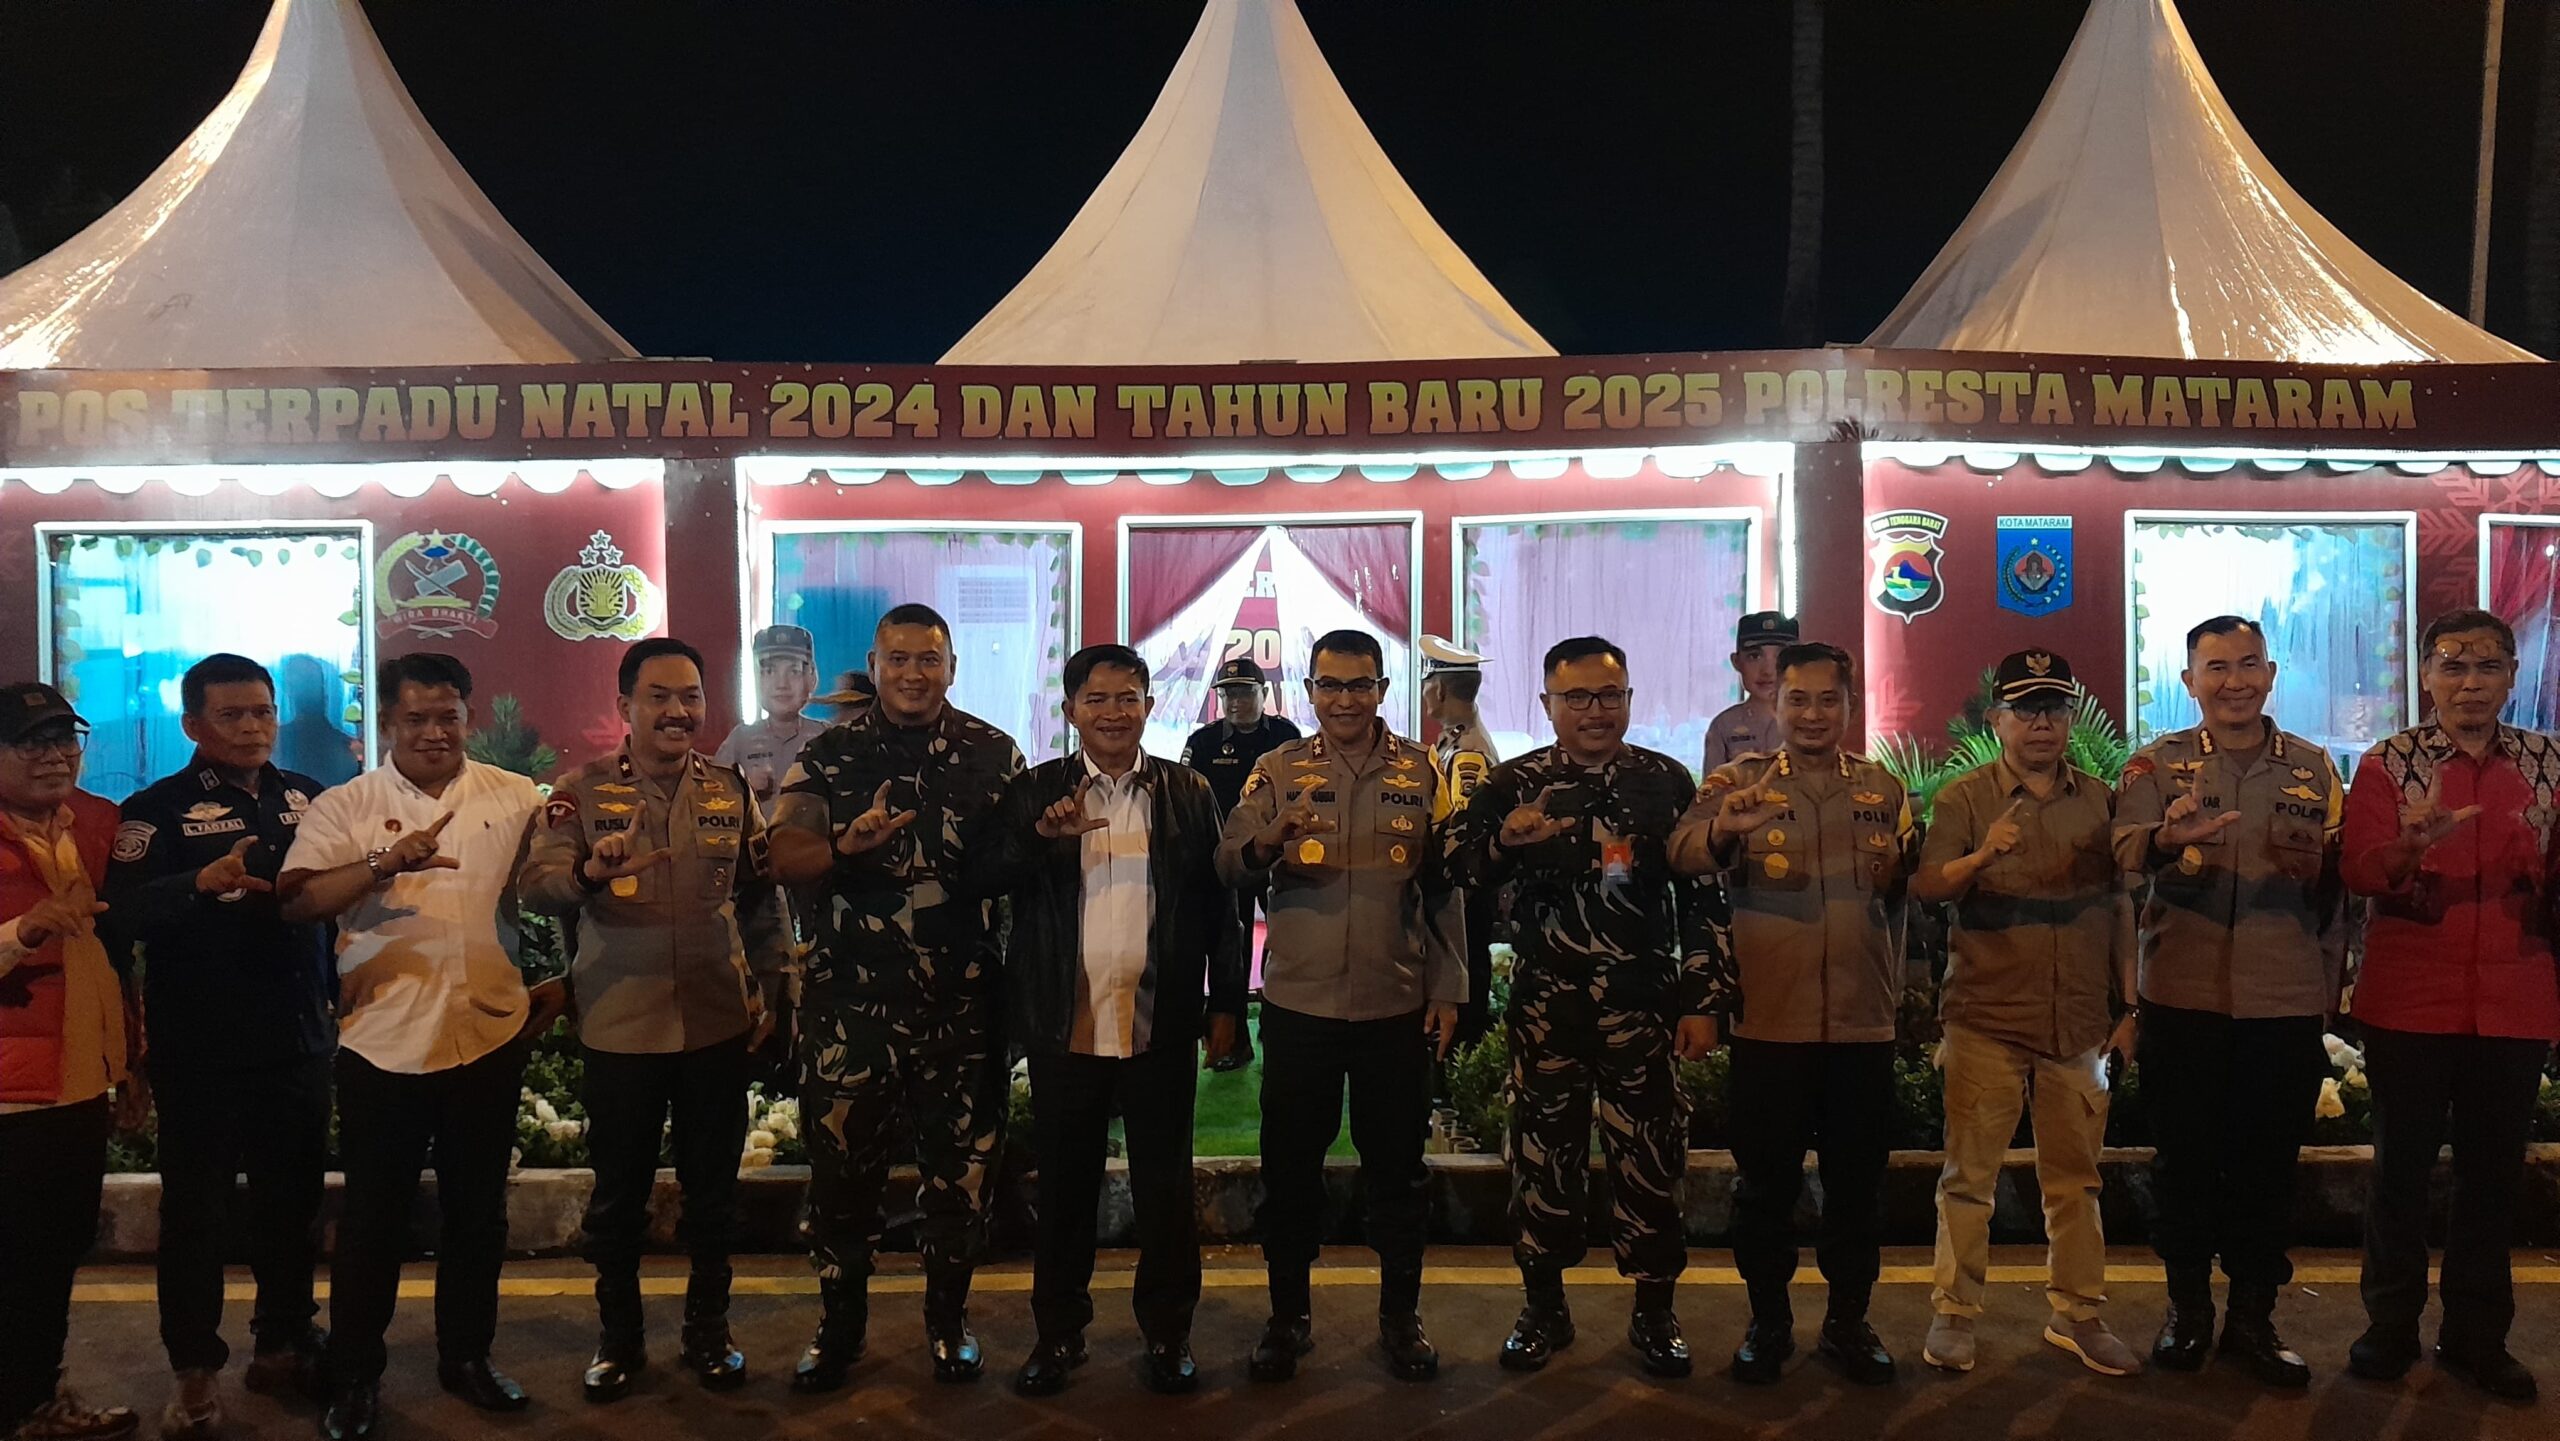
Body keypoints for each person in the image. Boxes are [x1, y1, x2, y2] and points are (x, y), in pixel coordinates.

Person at [277, 653, 547, 1441]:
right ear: (388, 721)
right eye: (416, 718)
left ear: (469, 717)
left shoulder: (516, 795)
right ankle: (356, 1377)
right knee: (373, 1222)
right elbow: (299, 901)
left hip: (487, 1033)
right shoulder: (346, 804)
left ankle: (467, 1357)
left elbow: (557, 882)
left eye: (448, 717)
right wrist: (380, 864)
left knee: (478, 1215)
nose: (434, 732)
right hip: (382, 1043)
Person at [515, 638, 792, 1403]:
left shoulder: (729, 789)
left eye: (691, 696)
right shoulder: (581, 791)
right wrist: (588, 871)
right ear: (625, 706)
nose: (678, 711)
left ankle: (709, 1331)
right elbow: (537, 885)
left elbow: (762, 899)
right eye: (659, 696)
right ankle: (620, 1338)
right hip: (620, 1025)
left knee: (714, 1193)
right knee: (618, 1198)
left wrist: (775, 991)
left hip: (715, 1022)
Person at [971, 645, 1246, 1398]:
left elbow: (1220, 903)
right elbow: (982, 875)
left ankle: (1169, 1332)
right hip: (1066, 1026)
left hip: (1161, 1023)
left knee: (1165, 1189)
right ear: (1070, 711)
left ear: (1149, 707)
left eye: (1128, 698)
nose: (1114, 712)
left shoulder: (1187, 791)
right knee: (1064, 1189)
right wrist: (1039, 838)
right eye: (1096, 699)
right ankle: (1058, 1334)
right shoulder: (1038, 790)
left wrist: (1226, 1002)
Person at [766, 604, 1024, 1390]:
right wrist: (843, 845)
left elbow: (1019, 871)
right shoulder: (830, 755)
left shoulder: (995, 754)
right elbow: (784, 853)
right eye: (899, 659)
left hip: (962, 1013)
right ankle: (839, 1329)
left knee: (961, 1182)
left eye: (929, 659)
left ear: (952, 668)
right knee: (843, 1184)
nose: (914, 673)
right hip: (853, 1011)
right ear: (874, 666)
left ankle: (948, 1324)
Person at [1446, 637, 1717, 1378]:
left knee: (1652, 1159)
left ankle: (1655, 1312)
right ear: (1548, 705)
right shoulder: (1514, 782)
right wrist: (1505, 841)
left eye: (1608, 695)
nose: (1594, 711)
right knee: (1541, 1159)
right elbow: (1456, 866)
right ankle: (1544, 1307)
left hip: (1643, 1007)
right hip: (1548, 1011)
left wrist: (1703, 1000)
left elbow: (1701, 898)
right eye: (1576, 698)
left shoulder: (1666, 781)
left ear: (1628, 699)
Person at [1218, 629, 1465, 1385]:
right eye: (1331, 685)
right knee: (1290, 1171)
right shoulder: (1277, 769)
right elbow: (1228, 860)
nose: (1345, 699)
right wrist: (1268, 841)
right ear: (1310, 691)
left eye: (1360, 685)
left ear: (1383, 690)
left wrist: (1448, 987)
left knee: (1399, 1173)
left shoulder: (1423, 771)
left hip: (1395, 1006)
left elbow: (1444, 888)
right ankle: (1286, 1318)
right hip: (1301, 1007)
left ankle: (1401, 1319)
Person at [1669, 642, 1912, 1387]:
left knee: (1857, 1189)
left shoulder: (1883, 789)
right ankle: (1768, 1321)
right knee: (1764, 1190)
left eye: (1827, 700)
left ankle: (1848, 1322)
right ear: (1775, 705)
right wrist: (1723, 830)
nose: (1812, 714)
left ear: (1849, 706)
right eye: (1797, 700)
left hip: (1862, 1027)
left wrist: (1903, 996)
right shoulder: (1738, 782)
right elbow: (1681, 852)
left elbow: (1905, 897)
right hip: (1769, 1026)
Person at [106, 656, 336, 1437]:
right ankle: (194, 1368)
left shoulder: (310, 797)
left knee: (292, 1204)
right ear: (193, 725)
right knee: (197, 1217)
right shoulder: (155, 810)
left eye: (262, 712)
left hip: (297, 1040)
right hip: (200, 1049)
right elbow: (120, 914)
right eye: (232, 715)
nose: (251, 728)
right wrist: (194, 885)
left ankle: (283, 1339)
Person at [2113, 616, 2343, 1387]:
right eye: (2216, 667)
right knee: (2183, 1163)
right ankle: (2187, 1310)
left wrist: (2328, 991)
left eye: (2249, 664)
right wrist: (2162, 838)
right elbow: (2120, 854)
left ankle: (2253, 1316)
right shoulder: (2156, 765)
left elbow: (2338, 892)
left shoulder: (2314, 768)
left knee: (2267, 1168)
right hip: (2182, 996)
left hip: (2283, 1000)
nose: (2235, 681)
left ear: (2271, 674)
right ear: (2189, 681)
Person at [2340, 607, 2560, 1402]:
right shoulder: (2387, 764)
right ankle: (2389, 1326)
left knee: (2492, 1180)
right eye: (2454, 666)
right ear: (2427, 674)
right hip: (2410, 1002)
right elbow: (2359, 872)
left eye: (2488, 666)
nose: (2471, 683)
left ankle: (2477, 1336)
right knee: (2399, 1173)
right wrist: (2409, 847)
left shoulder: (2549, 763)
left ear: (2511, 676)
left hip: (2516, 998)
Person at [1912, 649, 2141, 1379]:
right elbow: (1927, 886)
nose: (2042, 723)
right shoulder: (1964, 798)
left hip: (2078, 1021)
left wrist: (2130, 1006)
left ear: (2070, 717)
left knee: (2077, 1180)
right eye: (2026, 709)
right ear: (1997, 719)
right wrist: (1982, 856)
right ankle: (1954, 1313)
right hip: (1986, 1017)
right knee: (1968, 1180)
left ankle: (2078, 1313)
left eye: (2055, 709)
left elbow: (2120, 905)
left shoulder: (2102, 798)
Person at [0, 683, 143, 1441]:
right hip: (8, 1090)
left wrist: (130, 1059)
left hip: (79, 1079)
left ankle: (33, 1398)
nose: (54, 755)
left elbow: (112, 949)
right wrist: (23, 931)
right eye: (30, 741)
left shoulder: (96, 822)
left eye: (64, 738)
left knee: (53, 1253)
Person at [1420, 635, 1502, 1047]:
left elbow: (1462, 833)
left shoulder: (1467, 751)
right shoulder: (1456, 738)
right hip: (1463, 897)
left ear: (1438, 689)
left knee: (1462, 1004)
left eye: (1426, 684)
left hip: (1464, 900)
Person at [714, 625, 827, 806]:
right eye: (769, 671)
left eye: (794, 671)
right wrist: (743, 789)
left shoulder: (827, 738)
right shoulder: (740, 740)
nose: (781, 684)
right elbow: (712, 800)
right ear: (755, 679)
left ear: (812, 677)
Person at [1180, 657, 1301, 817]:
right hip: (1220, 831)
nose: (1236, 701)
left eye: (1245, 693)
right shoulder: (1203, 742)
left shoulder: (1285, 736)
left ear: (1264, 694)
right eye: (1229, 694)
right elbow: (1186, 799)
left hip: (1277, 829)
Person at [1700, 612, 1794, 774]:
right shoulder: (1724, 726)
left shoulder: (1807, 722)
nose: (1768, 671)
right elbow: (1712, 787)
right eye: (1754, 656)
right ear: (1736, 662)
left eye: (1781, 657)